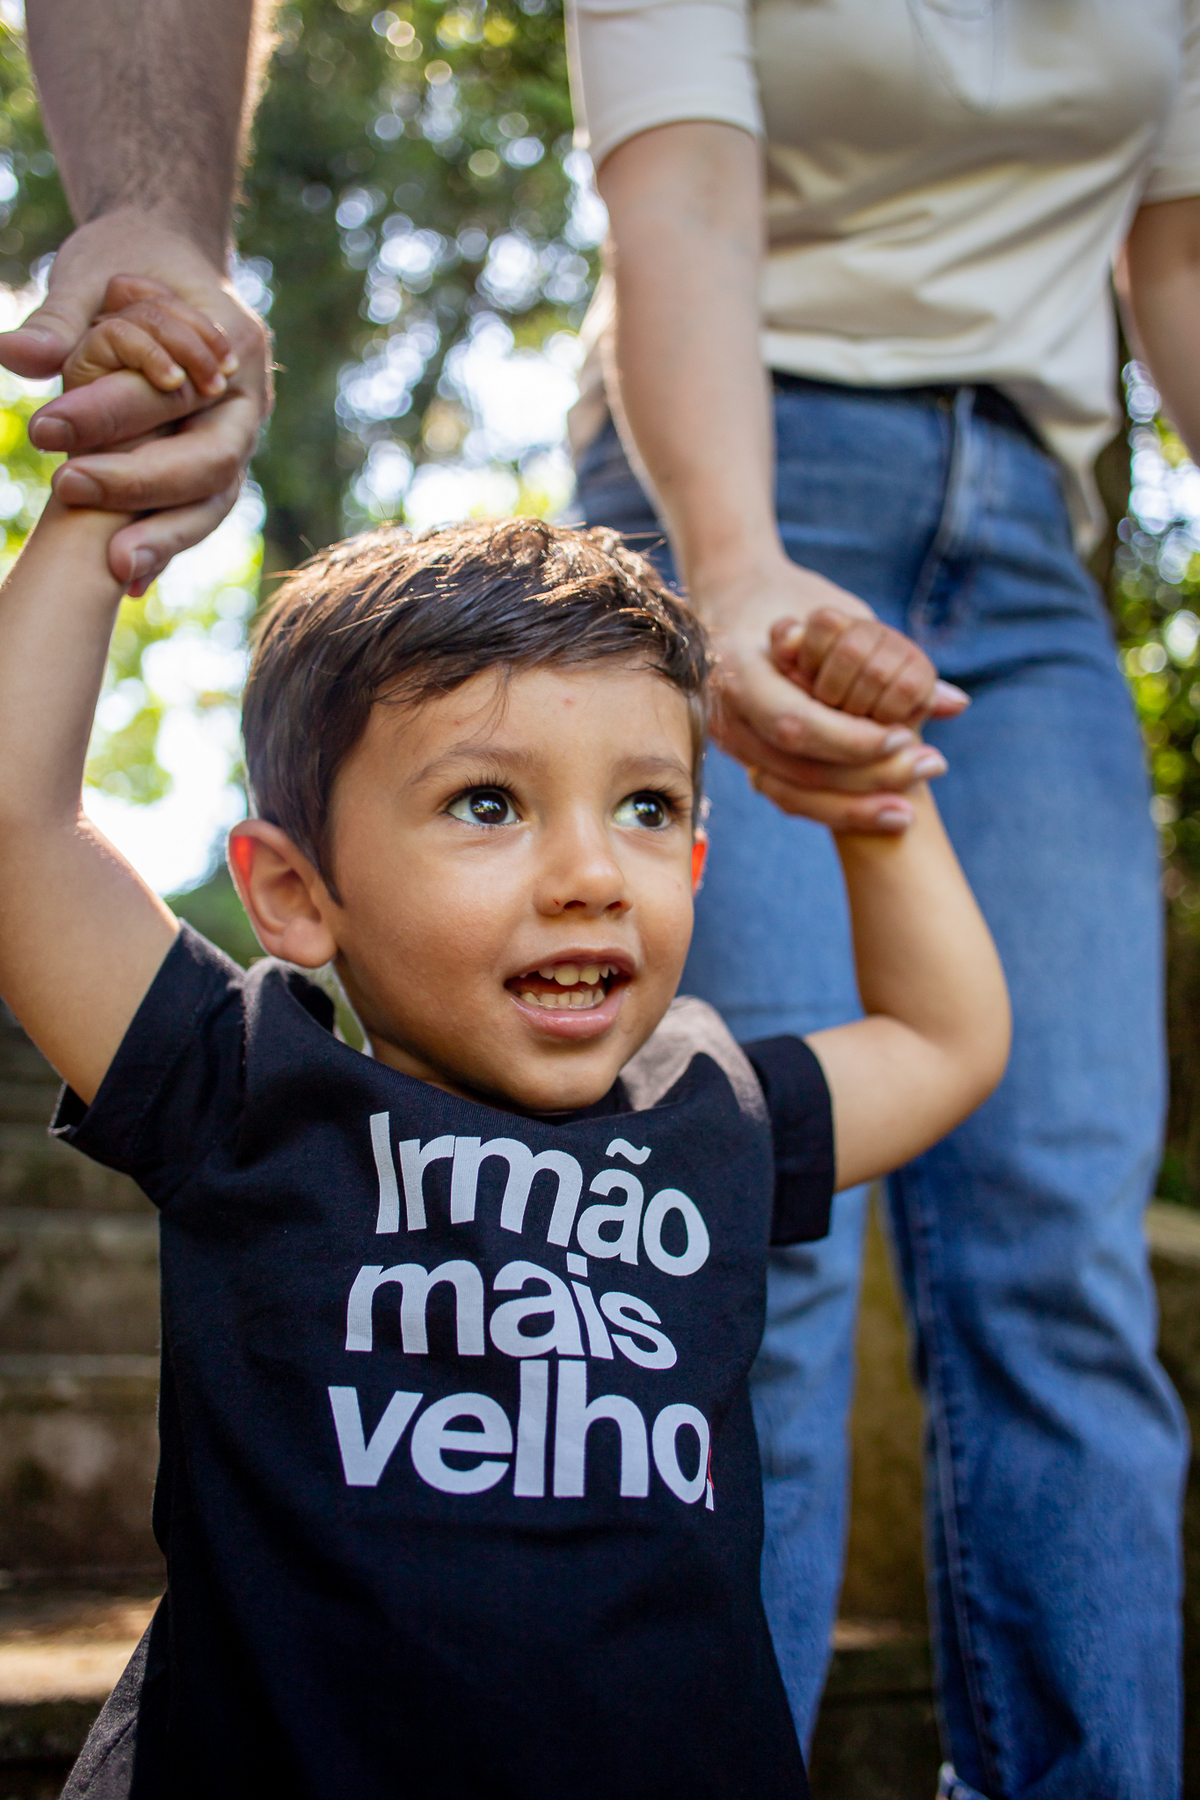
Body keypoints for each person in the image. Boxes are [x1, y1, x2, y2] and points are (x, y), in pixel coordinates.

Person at [0, 294, 1007, 1799]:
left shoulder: (711, 1111)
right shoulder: (243, 1088)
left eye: (647, 807)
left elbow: (945, 1041)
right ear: (296, 895)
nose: (593, 872)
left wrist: (879, 803)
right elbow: (18, 830)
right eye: (489, 803)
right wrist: (102, 504)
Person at [562, 6, 1200, 1798]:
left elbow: (1178, 263)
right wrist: (731, 563)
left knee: (1067, 1255)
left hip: (1031, 543)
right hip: (724, 473)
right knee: (747, 1206)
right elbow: (681, 195)